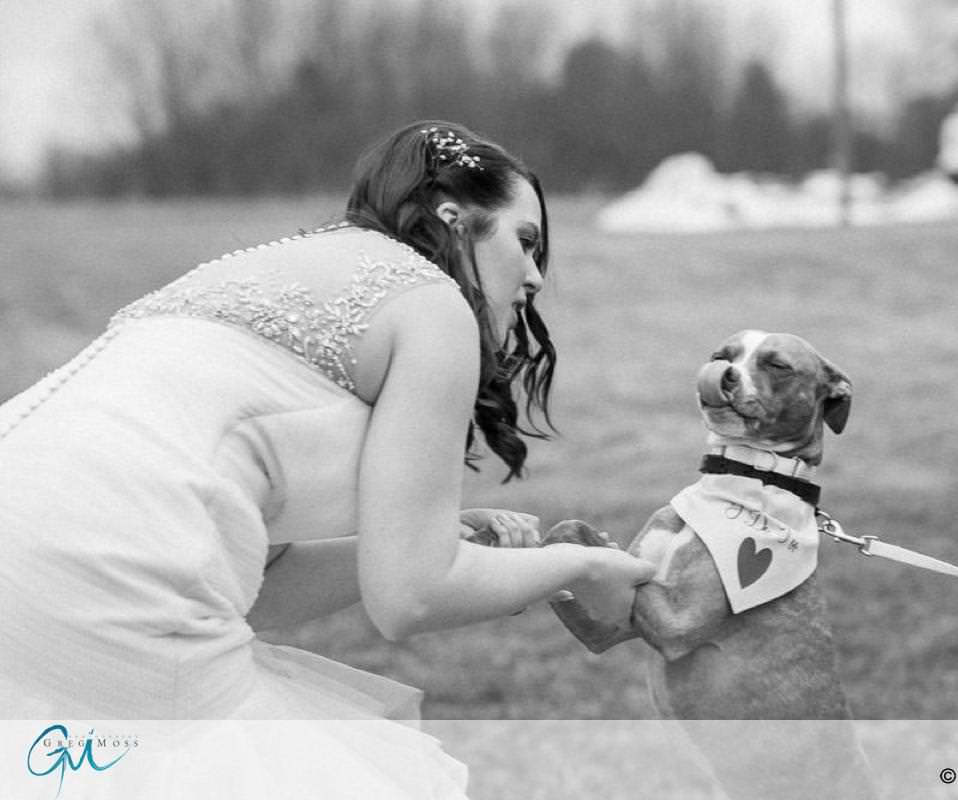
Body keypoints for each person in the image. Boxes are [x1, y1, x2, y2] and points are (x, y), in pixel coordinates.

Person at [0, 121, 654, 797]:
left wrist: (448, 538)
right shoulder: (434, 305)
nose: (535, 276)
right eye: (525, 242)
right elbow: (412, 597)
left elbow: (255, 585)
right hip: (113, 570)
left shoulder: (290, 264)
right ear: (455, 217)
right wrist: (583, 565)